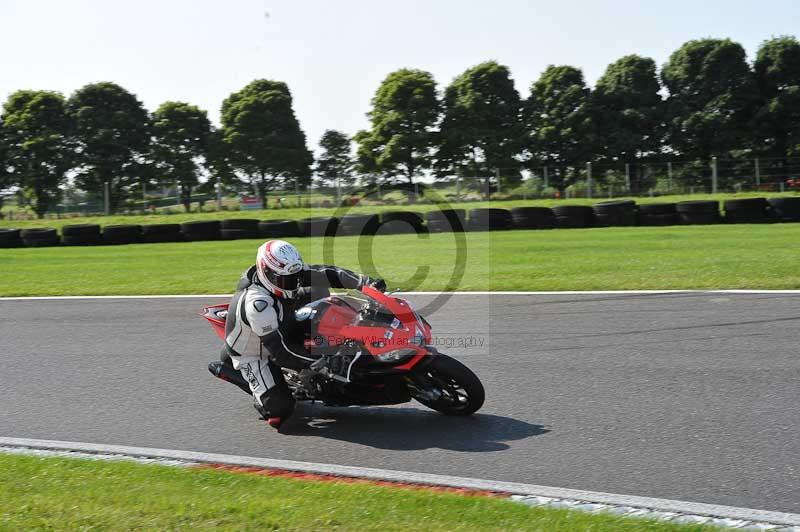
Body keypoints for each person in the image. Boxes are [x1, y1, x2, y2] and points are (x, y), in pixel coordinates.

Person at [222, 239, 386, 428]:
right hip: (255, 351)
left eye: (295, 277)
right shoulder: (258, 305)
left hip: (282, 318)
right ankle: (262, 395)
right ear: (266, 272)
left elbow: (325, 273)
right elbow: (280, 352)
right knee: (280, 410)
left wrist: (365, 283)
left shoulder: (285, 272)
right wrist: (320, 362)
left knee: (318, 288)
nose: (292, 283)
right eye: (285, 280)